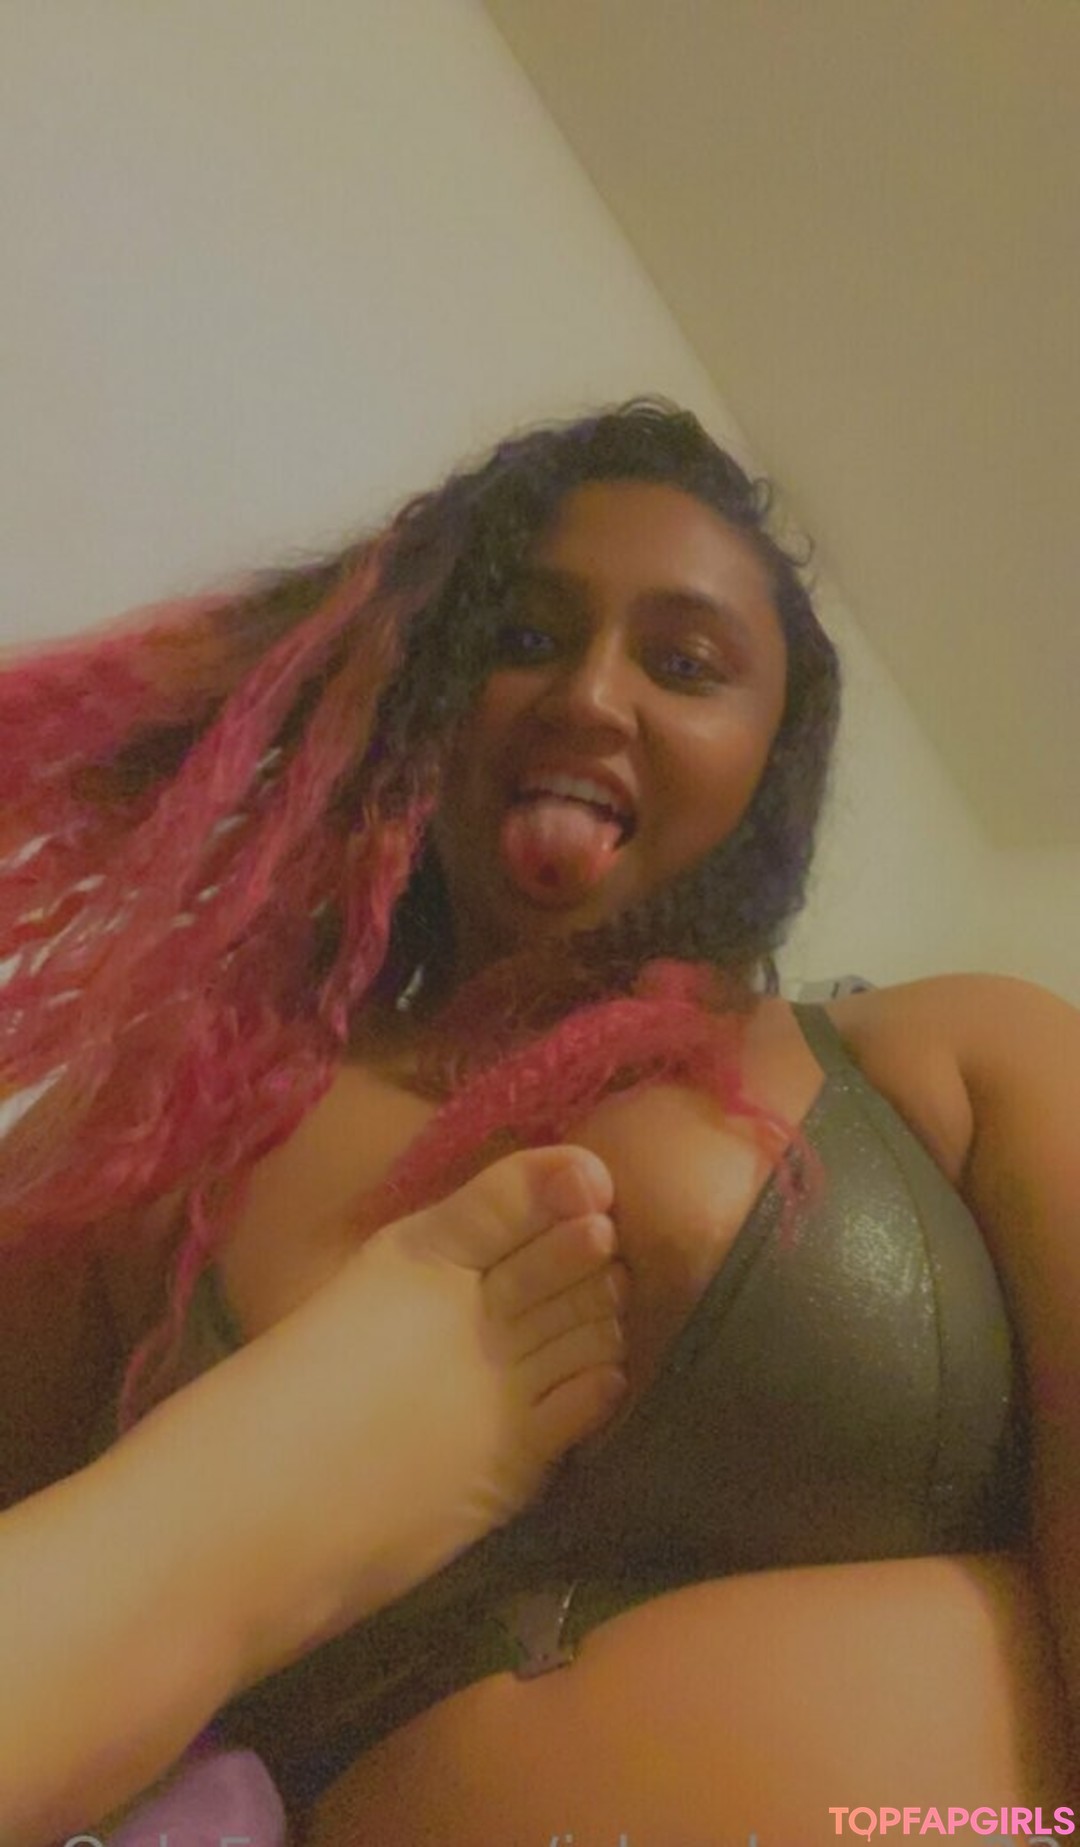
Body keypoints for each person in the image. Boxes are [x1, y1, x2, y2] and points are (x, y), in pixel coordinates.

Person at [1, 399, 1077, 1844]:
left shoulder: (966, 1057)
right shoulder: (163, 1128)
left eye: (683, 663)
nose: (589, 694)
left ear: (775, 757)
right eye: (521, 636)